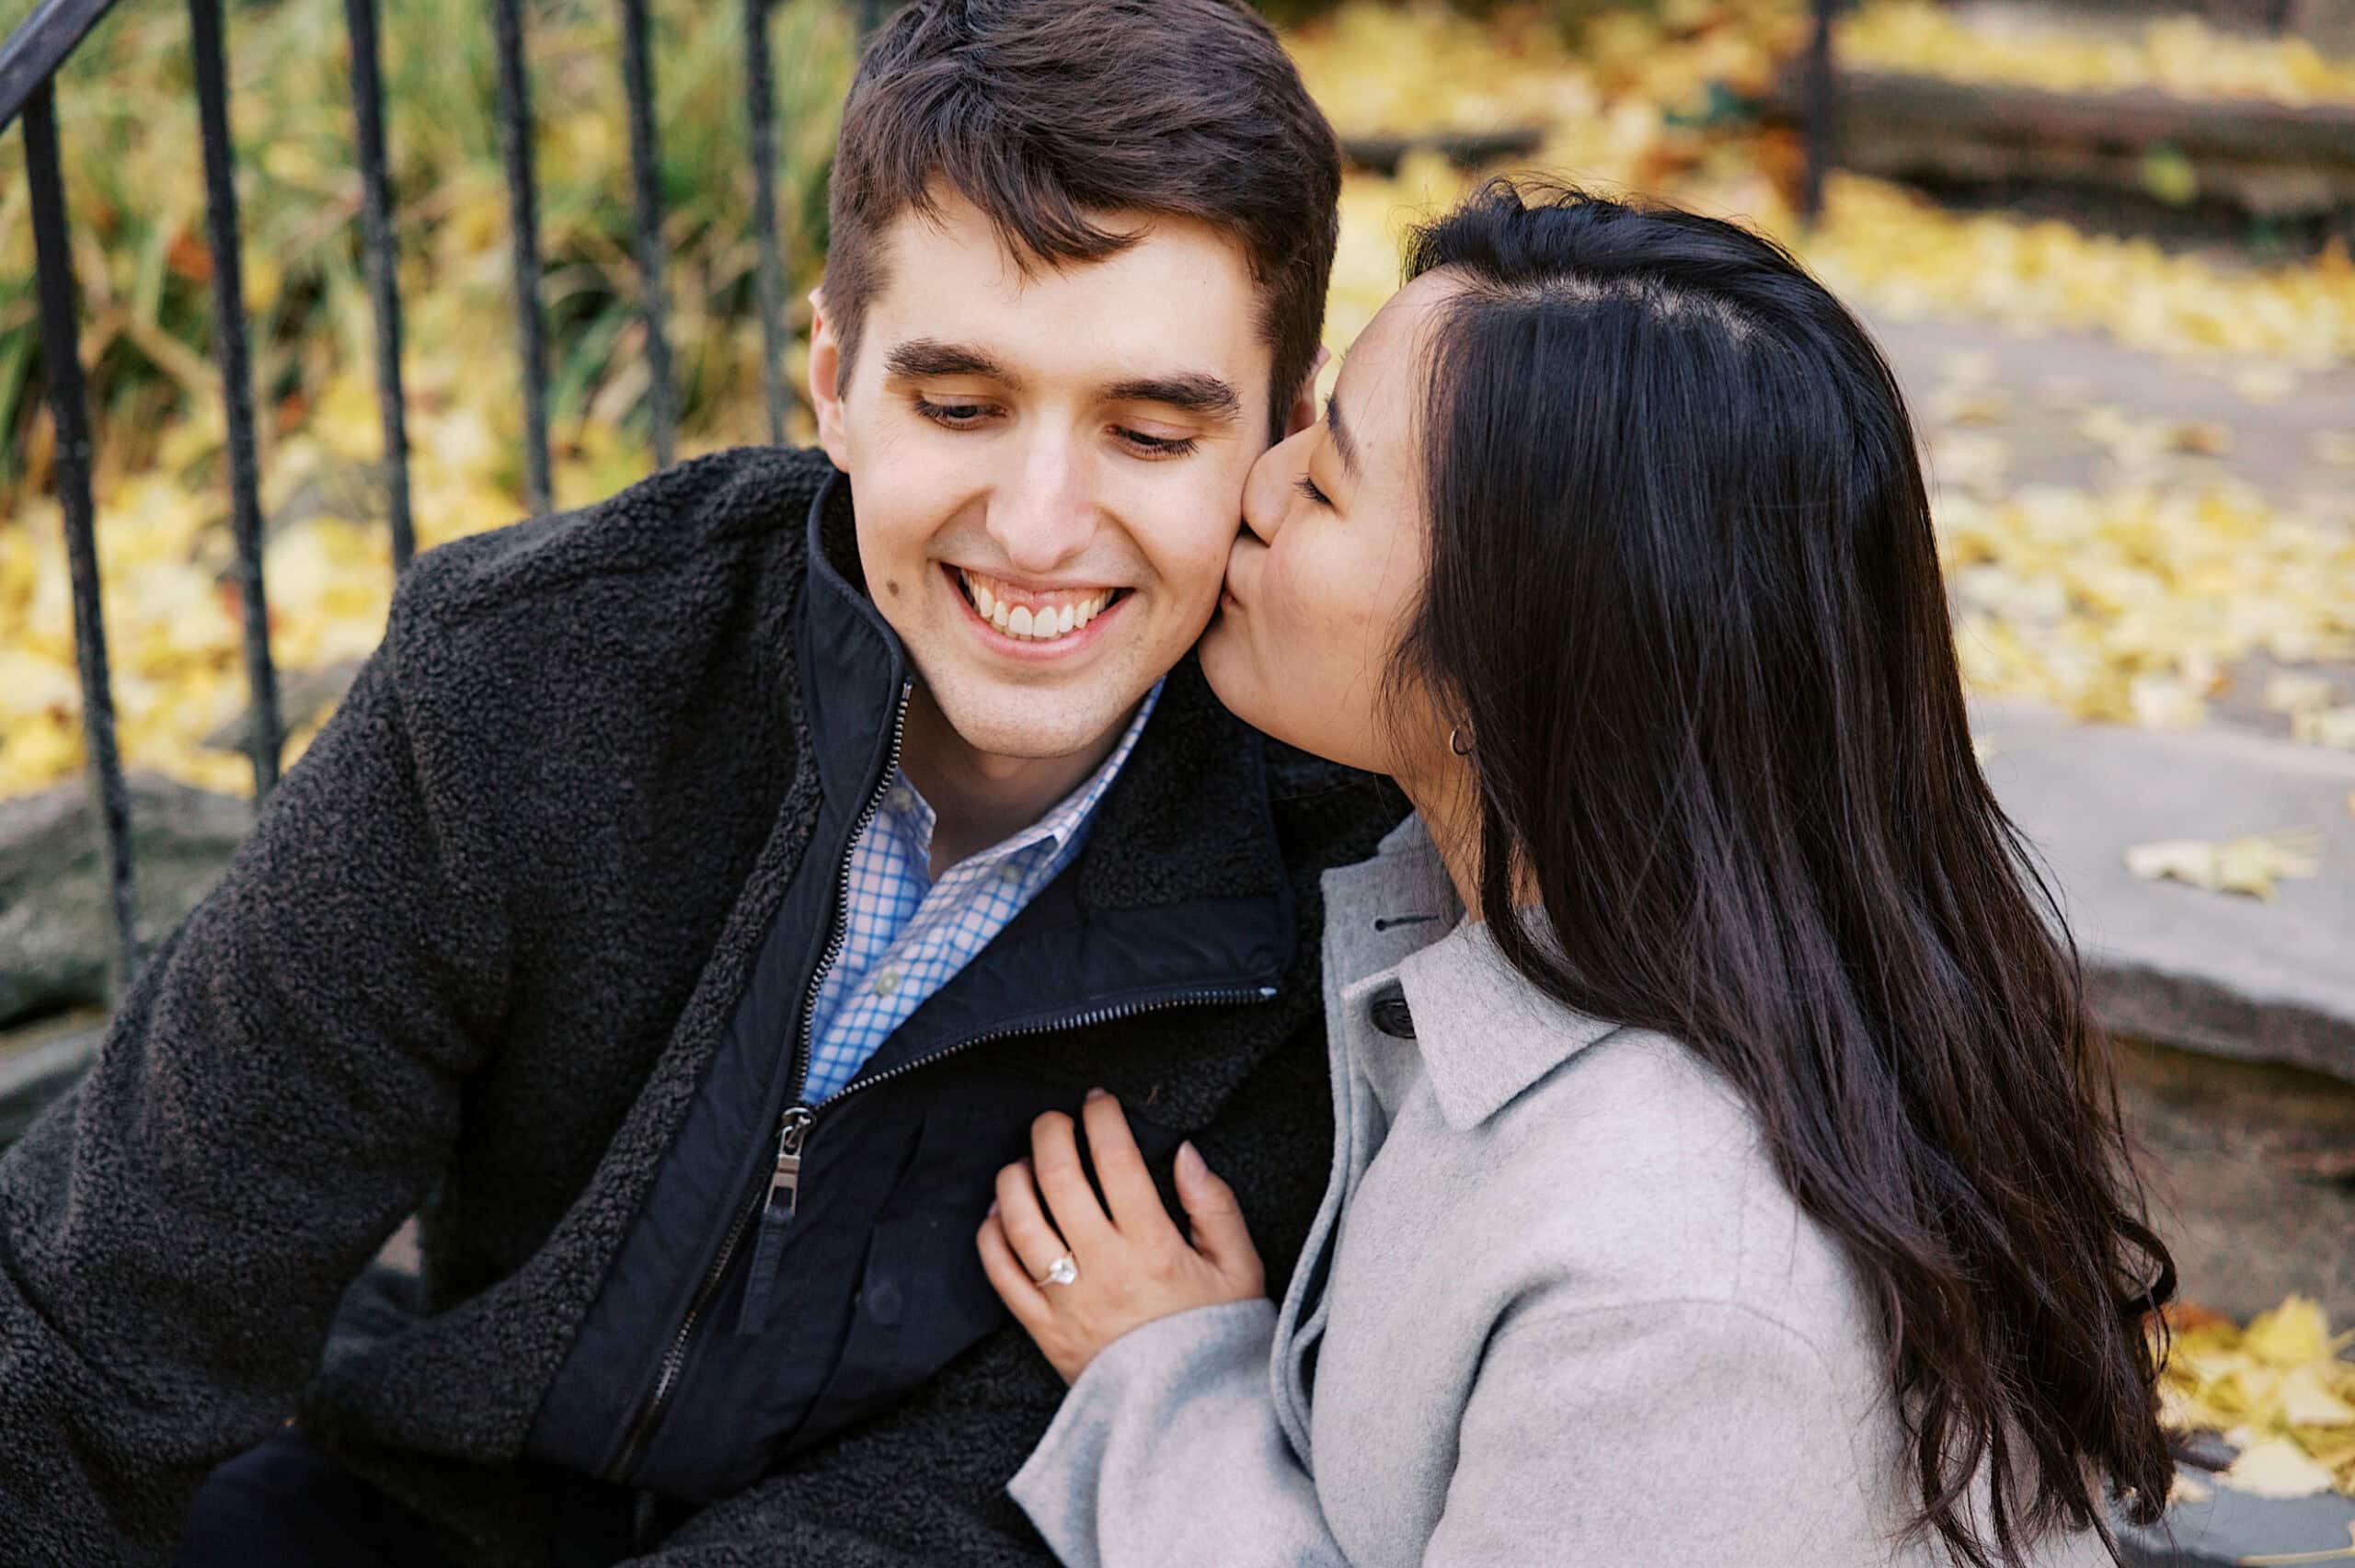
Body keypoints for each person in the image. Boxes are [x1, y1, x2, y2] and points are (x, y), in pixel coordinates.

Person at [0, 4, 1405, 1563]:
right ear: (831, 374)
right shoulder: (530, 682)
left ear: (1281, 437)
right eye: (960, 407)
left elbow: (965, 1500)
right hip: (432, 1497)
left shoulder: (1344, 873)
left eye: (1149, 431)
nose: (1041, 522)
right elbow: (109, 1310)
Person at [981, 181, 2179, 1568]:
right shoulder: (1568, 944)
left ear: (1520, 652)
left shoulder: (1682, 1297)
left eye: (1322, 481)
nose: (1247, 487)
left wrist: (1168, 1390)